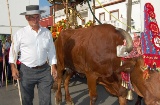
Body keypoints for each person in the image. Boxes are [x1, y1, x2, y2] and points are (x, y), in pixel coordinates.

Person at [9, 5, 57, 105]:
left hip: (44, 70)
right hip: (26, 71)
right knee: (27, 100)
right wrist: (13, 68)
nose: (35, 20)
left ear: (40, 17)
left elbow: (51, 50)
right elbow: (13, 52)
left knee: (46, 100)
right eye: (32, 17)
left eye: (37, 17)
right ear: (27, 18)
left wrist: (53, 65)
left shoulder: (46, 33)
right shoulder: (20, 33)